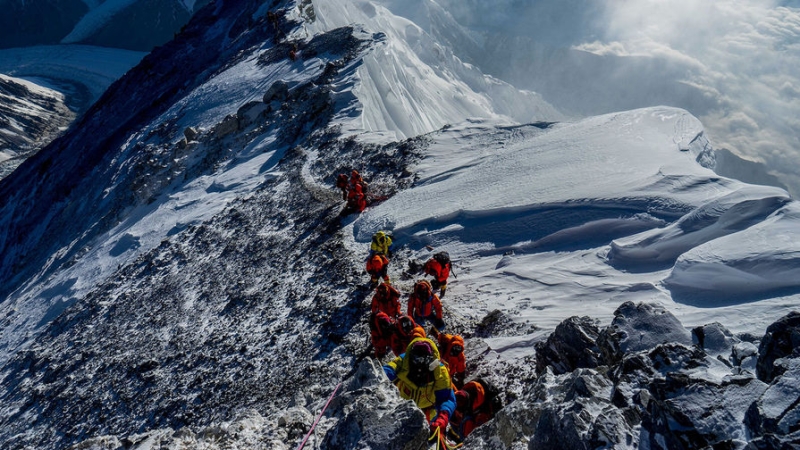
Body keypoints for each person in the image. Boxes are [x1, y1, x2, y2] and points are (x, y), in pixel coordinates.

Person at [383, 338, 456, 434]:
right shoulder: (404, 360)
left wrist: (443, 417)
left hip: (427, 413)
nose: (419, 362)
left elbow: (447, 398)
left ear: (430, 359)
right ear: (411, 355)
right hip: (400, 408)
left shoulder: (439, 371)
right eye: (416, 357)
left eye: (422, 358)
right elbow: (387, 370)